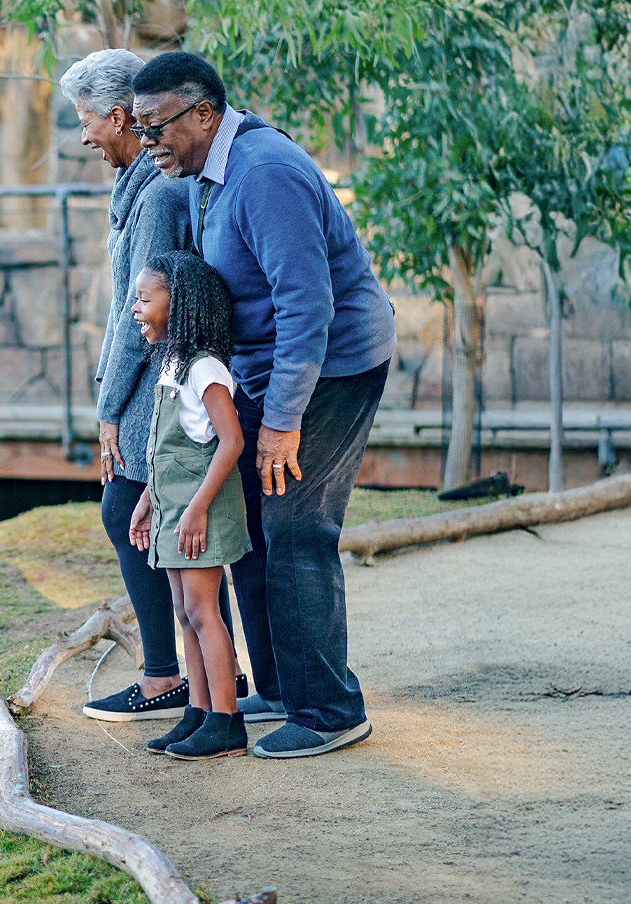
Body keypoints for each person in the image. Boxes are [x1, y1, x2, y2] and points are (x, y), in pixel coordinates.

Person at [127, 51, 397, 759]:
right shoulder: (197, 175)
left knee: (294, 524)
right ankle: (279, 685)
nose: (146, 141)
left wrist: (281, 422)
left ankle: (331, 709)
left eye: (155, 126)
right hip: (259, 365)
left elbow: (309, 306)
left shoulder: (263, 174)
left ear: (204, 113)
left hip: (330, 366)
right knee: (241, 520)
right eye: (139, 126)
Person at [57, 48, 242, 723]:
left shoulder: (157, 193)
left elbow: (133, 312)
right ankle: (197, 675)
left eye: (87, 121)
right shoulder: (137, 184)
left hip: (155, 376)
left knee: (127, 511)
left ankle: (168, 676)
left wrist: (108, 410)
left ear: (117, 115)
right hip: (147, 376)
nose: (83, 136)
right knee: (133, 513)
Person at [126, 251, 253, 759]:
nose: (135, 308)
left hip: (199, 512)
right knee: (185, 611)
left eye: (144, 298)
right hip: (174, 509)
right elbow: (164, 448)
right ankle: (198, 713)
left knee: (204, 611)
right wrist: (147, 501)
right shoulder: (174, 362)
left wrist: (197, 508)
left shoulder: (206, 369)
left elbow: (231, 441)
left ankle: (227, 719)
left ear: (177, 305)